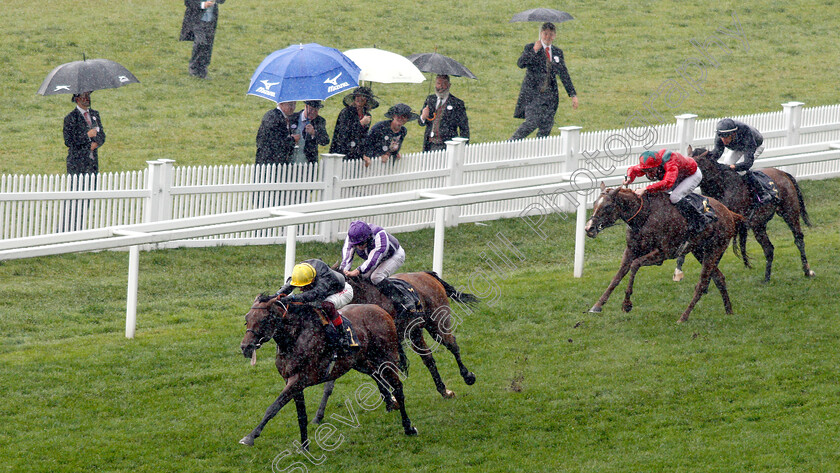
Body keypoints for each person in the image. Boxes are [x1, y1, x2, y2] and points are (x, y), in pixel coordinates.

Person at [623, 149, 710, 245]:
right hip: (678, 176)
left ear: (658, 165)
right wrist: (629, 178)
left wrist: (646, 189)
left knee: (674, 197)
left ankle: (700, 220)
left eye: (650, 170)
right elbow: (633, 169)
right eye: (645, 171)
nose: (649, 174)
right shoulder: (651, 163)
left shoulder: (670, 162)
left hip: (691, 175)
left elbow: (667, 183)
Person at [511, 21, 578, 140]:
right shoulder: (531, 47)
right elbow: (521, 64)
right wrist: (534, 51)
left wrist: (573, 94)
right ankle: (510, 143)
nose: (548, 37)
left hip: (550, 97)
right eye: (545, 34)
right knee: (531, 123)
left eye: (551, 34)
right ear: (541, 34)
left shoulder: (557, 52)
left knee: (546, 126)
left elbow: (564, 74)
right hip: (533, 95)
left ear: (555, 36)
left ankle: (539, 152)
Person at [275, 259, 357, 349]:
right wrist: (275, 296)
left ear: (312, 279)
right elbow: (289, 285)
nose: (301, 289)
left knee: (327, 305)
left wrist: (291, 298)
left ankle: (343, 336)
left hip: (342, 291)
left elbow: (314, 294)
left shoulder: (324, 278)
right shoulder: (302, 271)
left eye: (303, 287)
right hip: (324, 291)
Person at [339, 220, 406, 305]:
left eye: (362, 243)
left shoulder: (379, 235)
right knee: (364, 277)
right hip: (377, 258)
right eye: (356, 244)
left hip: (394, 255)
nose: (359, 247)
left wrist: (357, 270)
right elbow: (347, 257)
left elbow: (373, 260)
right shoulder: (352, 238)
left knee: (376, 277)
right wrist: (343, 272)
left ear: (369, 237)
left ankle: (401, 300)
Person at [707, 118, 771, 204]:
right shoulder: (721, 135)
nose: (724, 140)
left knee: (741, 171)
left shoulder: (746, 132)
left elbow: (747, 163)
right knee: (727, 163)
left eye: (726, 137)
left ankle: (762, 193)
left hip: (754, 146)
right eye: (722, 137)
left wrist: (733, 167)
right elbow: (717, 153)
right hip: (738, 146)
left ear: (733, 134)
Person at [417, 74, 470, 151]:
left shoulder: (457, 103)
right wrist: (423, 117)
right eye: (438, 83)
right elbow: (421, 123)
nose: (441, 87)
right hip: (430, 145)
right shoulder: (430, 100)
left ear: (449, 85)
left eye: (444, 84)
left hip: (448, 145)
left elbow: (464, 128)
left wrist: (464, 147)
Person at [330, 87, 378, 162]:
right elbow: (344, 132)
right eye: (357, 96)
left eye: (363, 97)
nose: (360, 99)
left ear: (367, 100)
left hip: (356, 153)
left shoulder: (367, 115)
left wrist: (365, 153)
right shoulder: (346, 112)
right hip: (342, 151)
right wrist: (361, 123)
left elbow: (363, 136)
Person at [180, 0, 225, 79]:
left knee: (208, 45)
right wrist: (203, 5)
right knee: (201, 42)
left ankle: (202, 71)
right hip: (196, 20)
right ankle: (193, 69)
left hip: (211, 21)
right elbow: (188, 2)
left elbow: (221, 1)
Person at [64, 91, 105, 175]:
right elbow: (69, 141)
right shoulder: (71, 118)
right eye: (84, 96)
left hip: (93, 163)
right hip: (77, 163)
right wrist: (87, 136)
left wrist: (96, 143)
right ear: (77, 99)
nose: (87, 99)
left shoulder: (95, 114)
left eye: (88, 96)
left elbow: (102, 135)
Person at [255, 101, 298, 165]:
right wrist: (293, 139)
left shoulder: (280, 116)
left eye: (295, 104)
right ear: (281, 104)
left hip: (271, 160)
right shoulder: (274, 117)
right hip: (270, 161)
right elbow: (276, 141)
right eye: (290, 104)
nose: (293, 108)